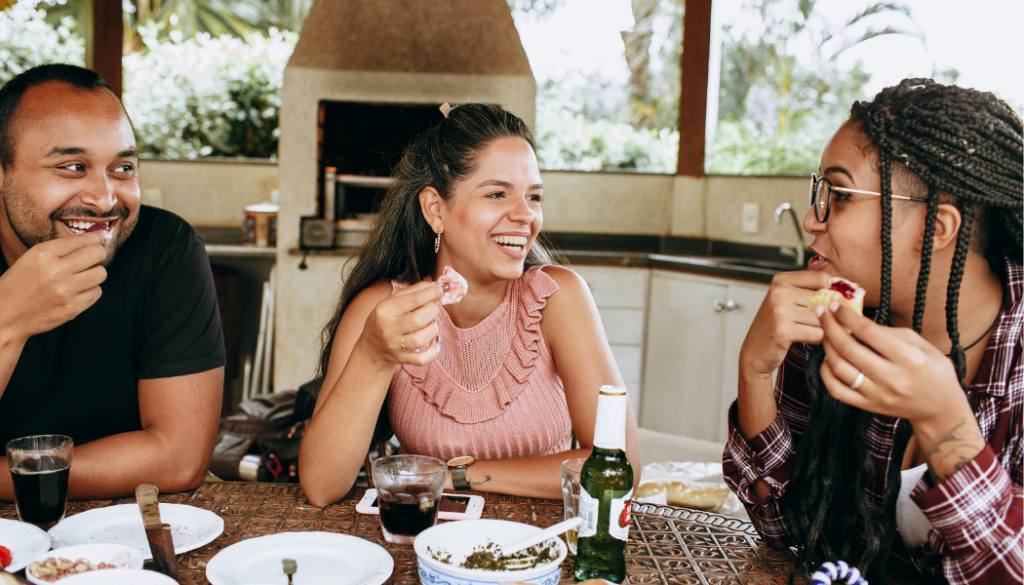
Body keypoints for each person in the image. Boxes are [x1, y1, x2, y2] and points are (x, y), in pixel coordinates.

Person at [724, 79, 1022, 584]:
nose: (813, 219)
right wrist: (754, 372)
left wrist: (945, 420)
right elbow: (786, 532)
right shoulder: (833, 324)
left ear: (938, 228)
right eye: (819, 191)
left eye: (838, 195)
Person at [299, 103, 641, 506]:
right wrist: (374, 355)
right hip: (429, 549)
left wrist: (455, 475)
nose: (526, 215)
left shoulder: (556, 298)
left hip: (544, 548)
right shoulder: (385, 310)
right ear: (435, 209)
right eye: (497, 194)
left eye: (534, 196)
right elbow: (322, 487)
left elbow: (620, 468)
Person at [0, 65, 225, 500]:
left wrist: (14, 478)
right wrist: (8, 319)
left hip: (127, 526)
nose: (104, 200)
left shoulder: (166, 248)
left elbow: (178, 458)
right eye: (71, 166)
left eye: (122, 168)